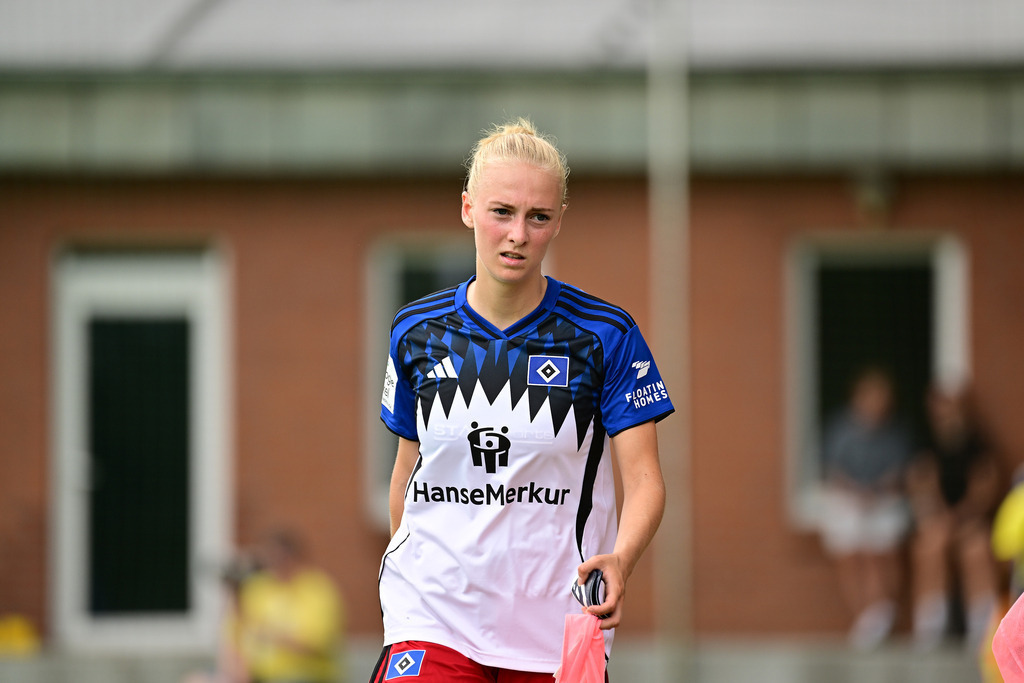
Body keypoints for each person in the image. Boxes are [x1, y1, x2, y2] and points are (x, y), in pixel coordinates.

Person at [371, 118, 673, 682]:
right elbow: (407, 473)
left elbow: (647, 480)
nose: (518, 234)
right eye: (501, 212)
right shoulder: (415, 331)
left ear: (558, 222)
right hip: (433, 612)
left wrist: (621, 559)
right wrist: (407, 565)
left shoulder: (605, 334)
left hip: (555, 620)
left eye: (538, 217)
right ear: (467, 210)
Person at [818, 367, 912, 650]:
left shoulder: (897, 432)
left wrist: (877, 490)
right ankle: (867, 618)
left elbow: (903, 471)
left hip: (884, 500)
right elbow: (831, 468)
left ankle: (879, 614)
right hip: (848, 499)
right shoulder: (840, 429)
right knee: (849, 551)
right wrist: (856, 491)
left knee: (877, 552)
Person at [907, 383, 1001, 650]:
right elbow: (920, 486)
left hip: (970, 520)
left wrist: (962, 516)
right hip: (939, 520)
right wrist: (942, 518)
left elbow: (985, 488)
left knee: (977, 549)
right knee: (930, 545)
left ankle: (983, 628)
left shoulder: (978, 443)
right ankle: (930, 627)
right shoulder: (925, 445)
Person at [239, 529, 344, 683]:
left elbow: (319, 644)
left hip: (308, 676)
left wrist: (273, 636)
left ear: (292, 557)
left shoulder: (317, 589)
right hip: (258, 676)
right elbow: (238, 635)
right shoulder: (257, 588)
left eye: (278, 557)